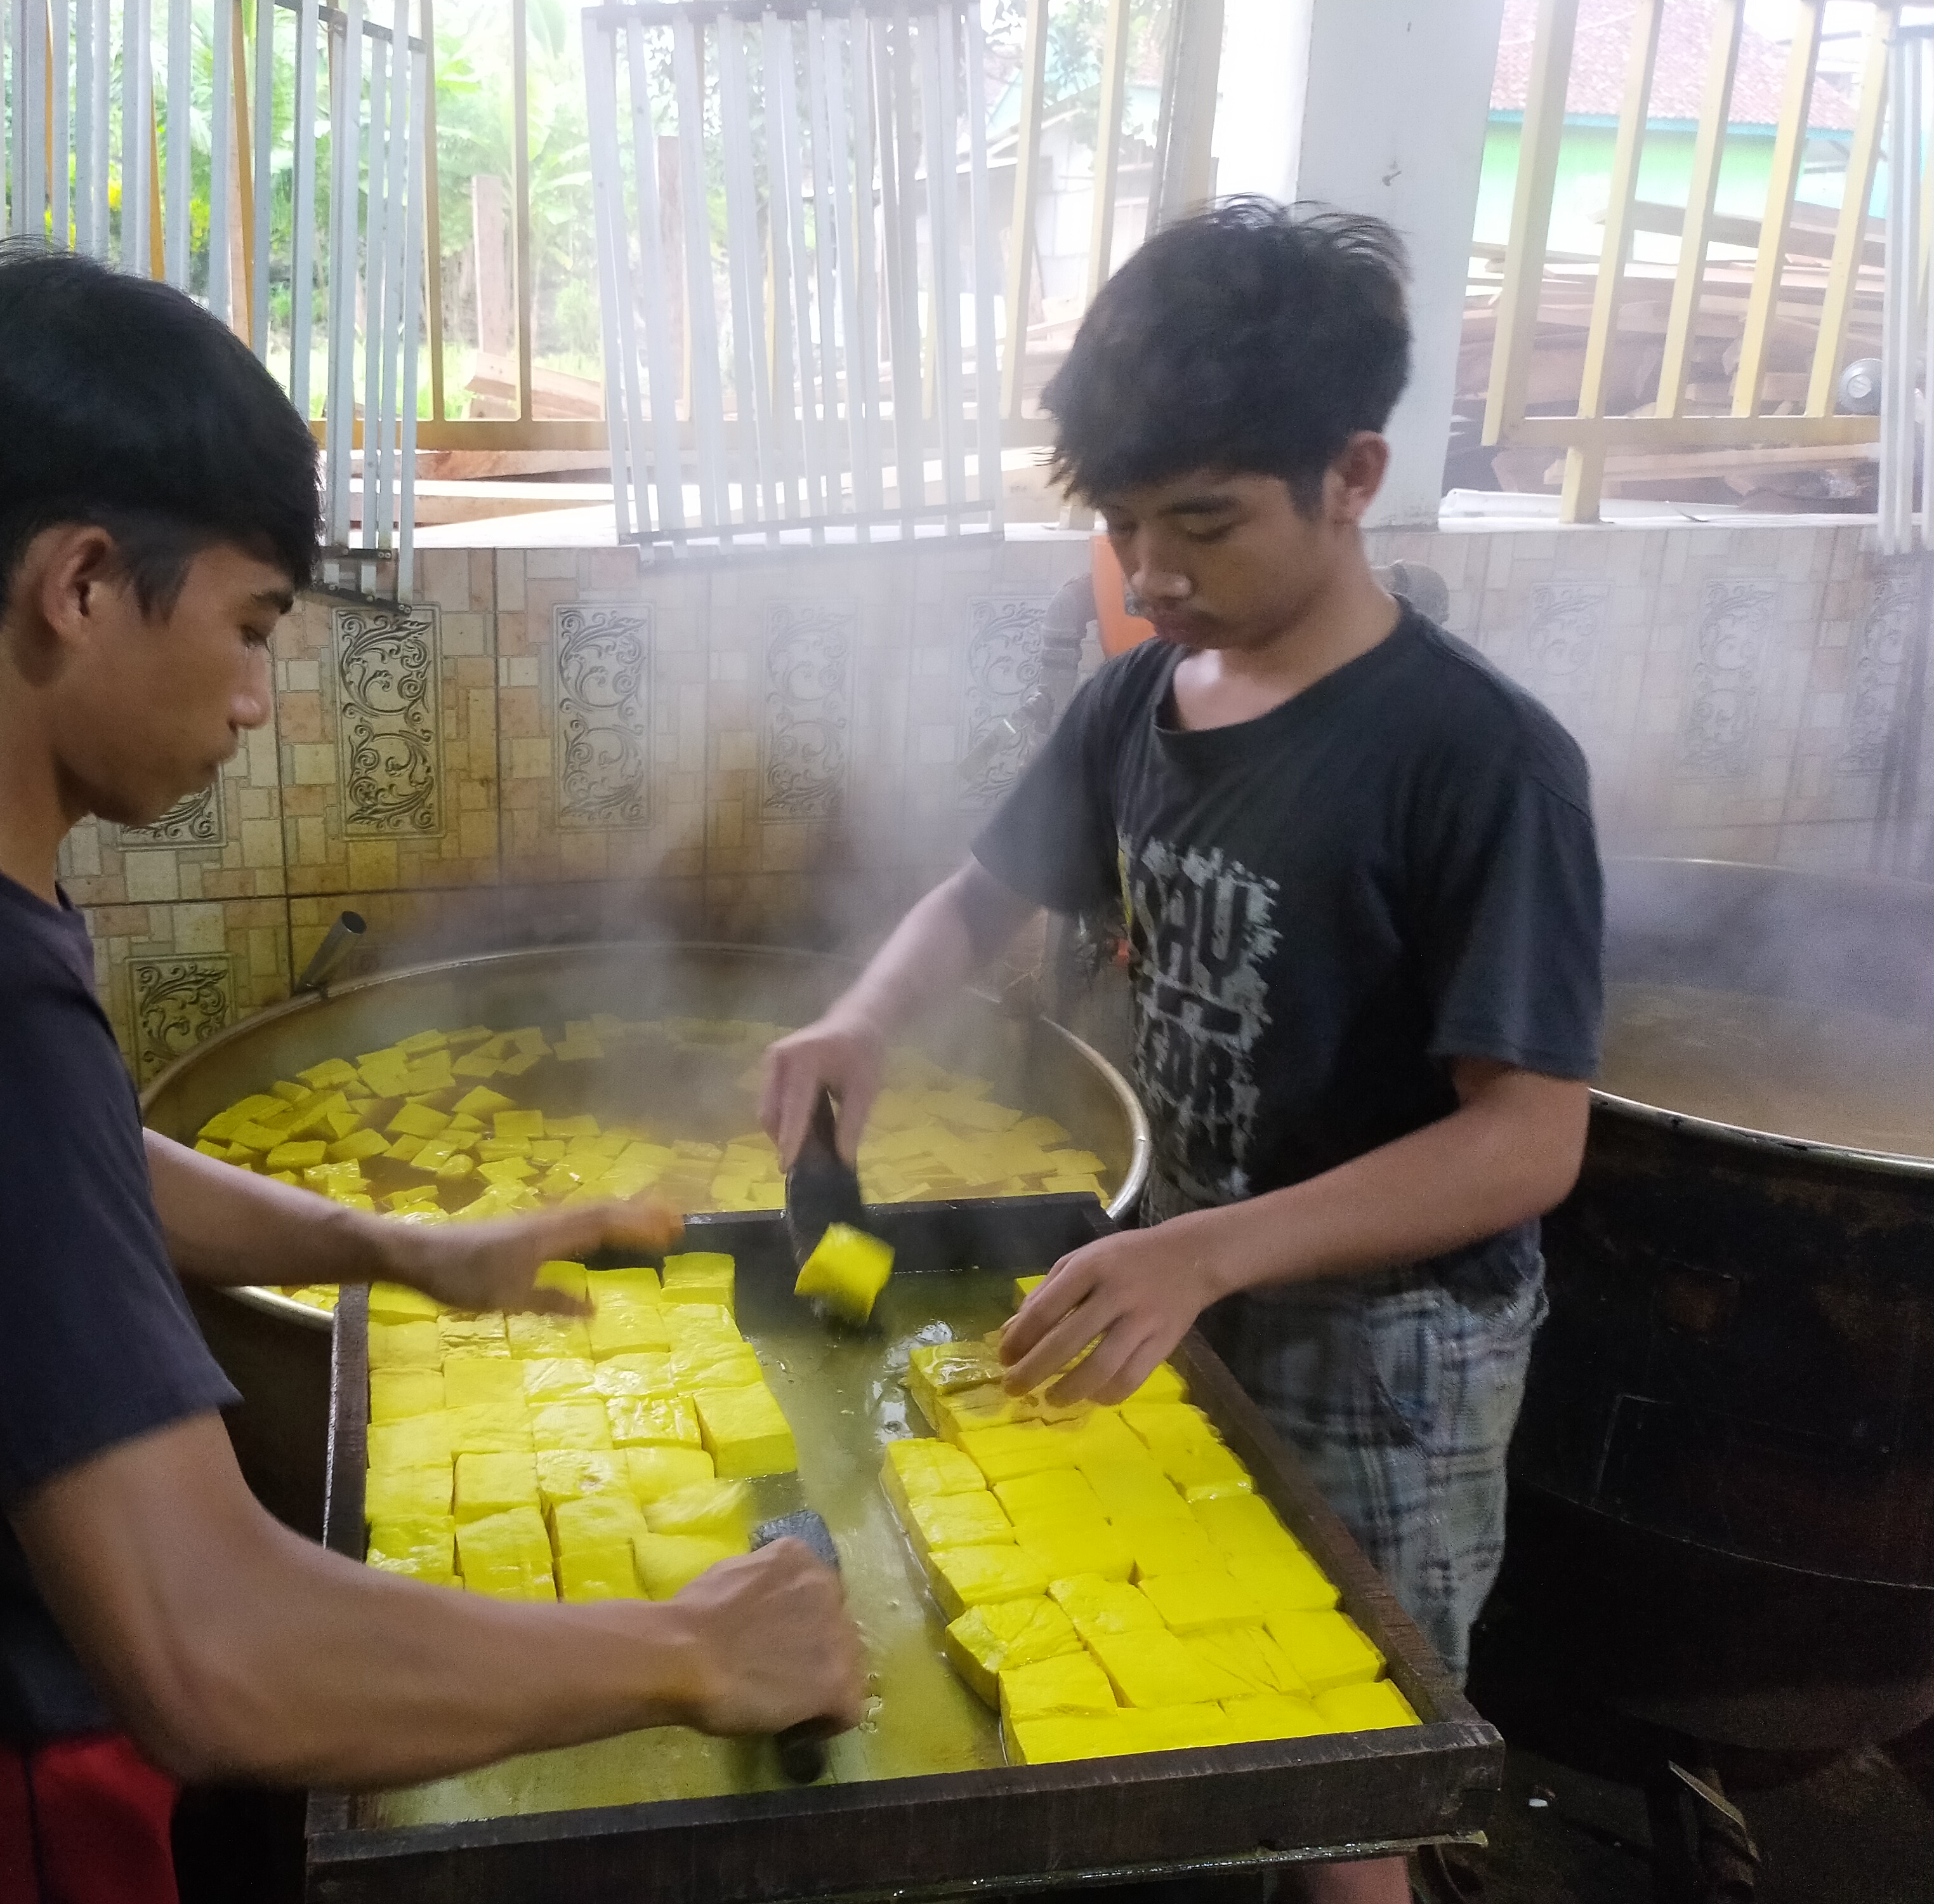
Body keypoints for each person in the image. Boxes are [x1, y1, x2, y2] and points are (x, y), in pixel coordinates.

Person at [0, 241, 863, 1904]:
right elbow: (206, 1650)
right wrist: (688, 1652)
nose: (254, 700)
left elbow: (55, 1178)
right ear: (83, 585)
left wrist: (403, 1248)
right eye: (249, 627)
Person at [761, 200, 1600, 1904]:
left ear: (1353, 475)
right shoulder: (1141, 701)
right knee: (1162, 1687)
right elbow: (982, 893)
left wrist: (1207, 1249)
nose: (1150, 575)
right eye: (1125, 523)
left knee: (1342, 1765)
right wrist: (865, 1013)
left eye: (1202, 525)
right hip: (1186, 1276)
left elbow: (1526, 1143)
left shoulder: (1480, 759)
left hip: (1388, 1346)